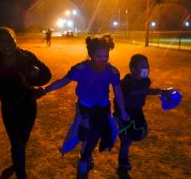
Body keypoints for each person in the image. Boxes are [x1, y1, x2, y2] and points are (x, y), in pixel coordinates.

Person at [42, 34, 130, 179]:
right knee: (84, 133)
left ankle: (85, 157)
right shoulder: (81, 68)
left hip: (102, 109)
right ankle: (84, 158)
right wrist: (46, 89)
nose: (103, 60)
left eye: (106, 56)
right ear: (90, 55)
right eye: (98, 56)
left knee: (98, 133)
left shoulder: (112, 71)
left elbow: (117, 91)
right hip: (85, 109)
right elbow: (64, 81)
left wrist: (124, 110)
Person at [0, 26, 52, 179]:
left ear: (15, 41)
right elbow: (0, 89)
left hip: (28, 109)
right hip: (9, 110)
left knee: (21, 143)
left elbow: (47, 75)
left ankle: (17, 163)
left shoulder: (27, 57)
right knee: (17, 144)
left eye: (10, 40)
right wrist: (29, 85)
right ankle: (21, 173)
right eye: (2, 41)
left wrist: (36, 76)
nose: (7, 44)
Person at [113, 54, 164, 178]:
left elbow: (145, 90)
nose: (145, 68)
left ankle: (124, 159)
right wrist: (120, 114)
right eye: (142, 66)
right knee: (125, 140)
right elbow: (123, 95)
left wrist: (159, 92)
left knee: (138, 134)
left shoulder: (146, 81)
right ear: (133, 69)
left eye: (147, 66)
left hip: (137, 113)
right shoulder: (126, 81)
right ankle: (123, 164)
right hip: (124, 112)